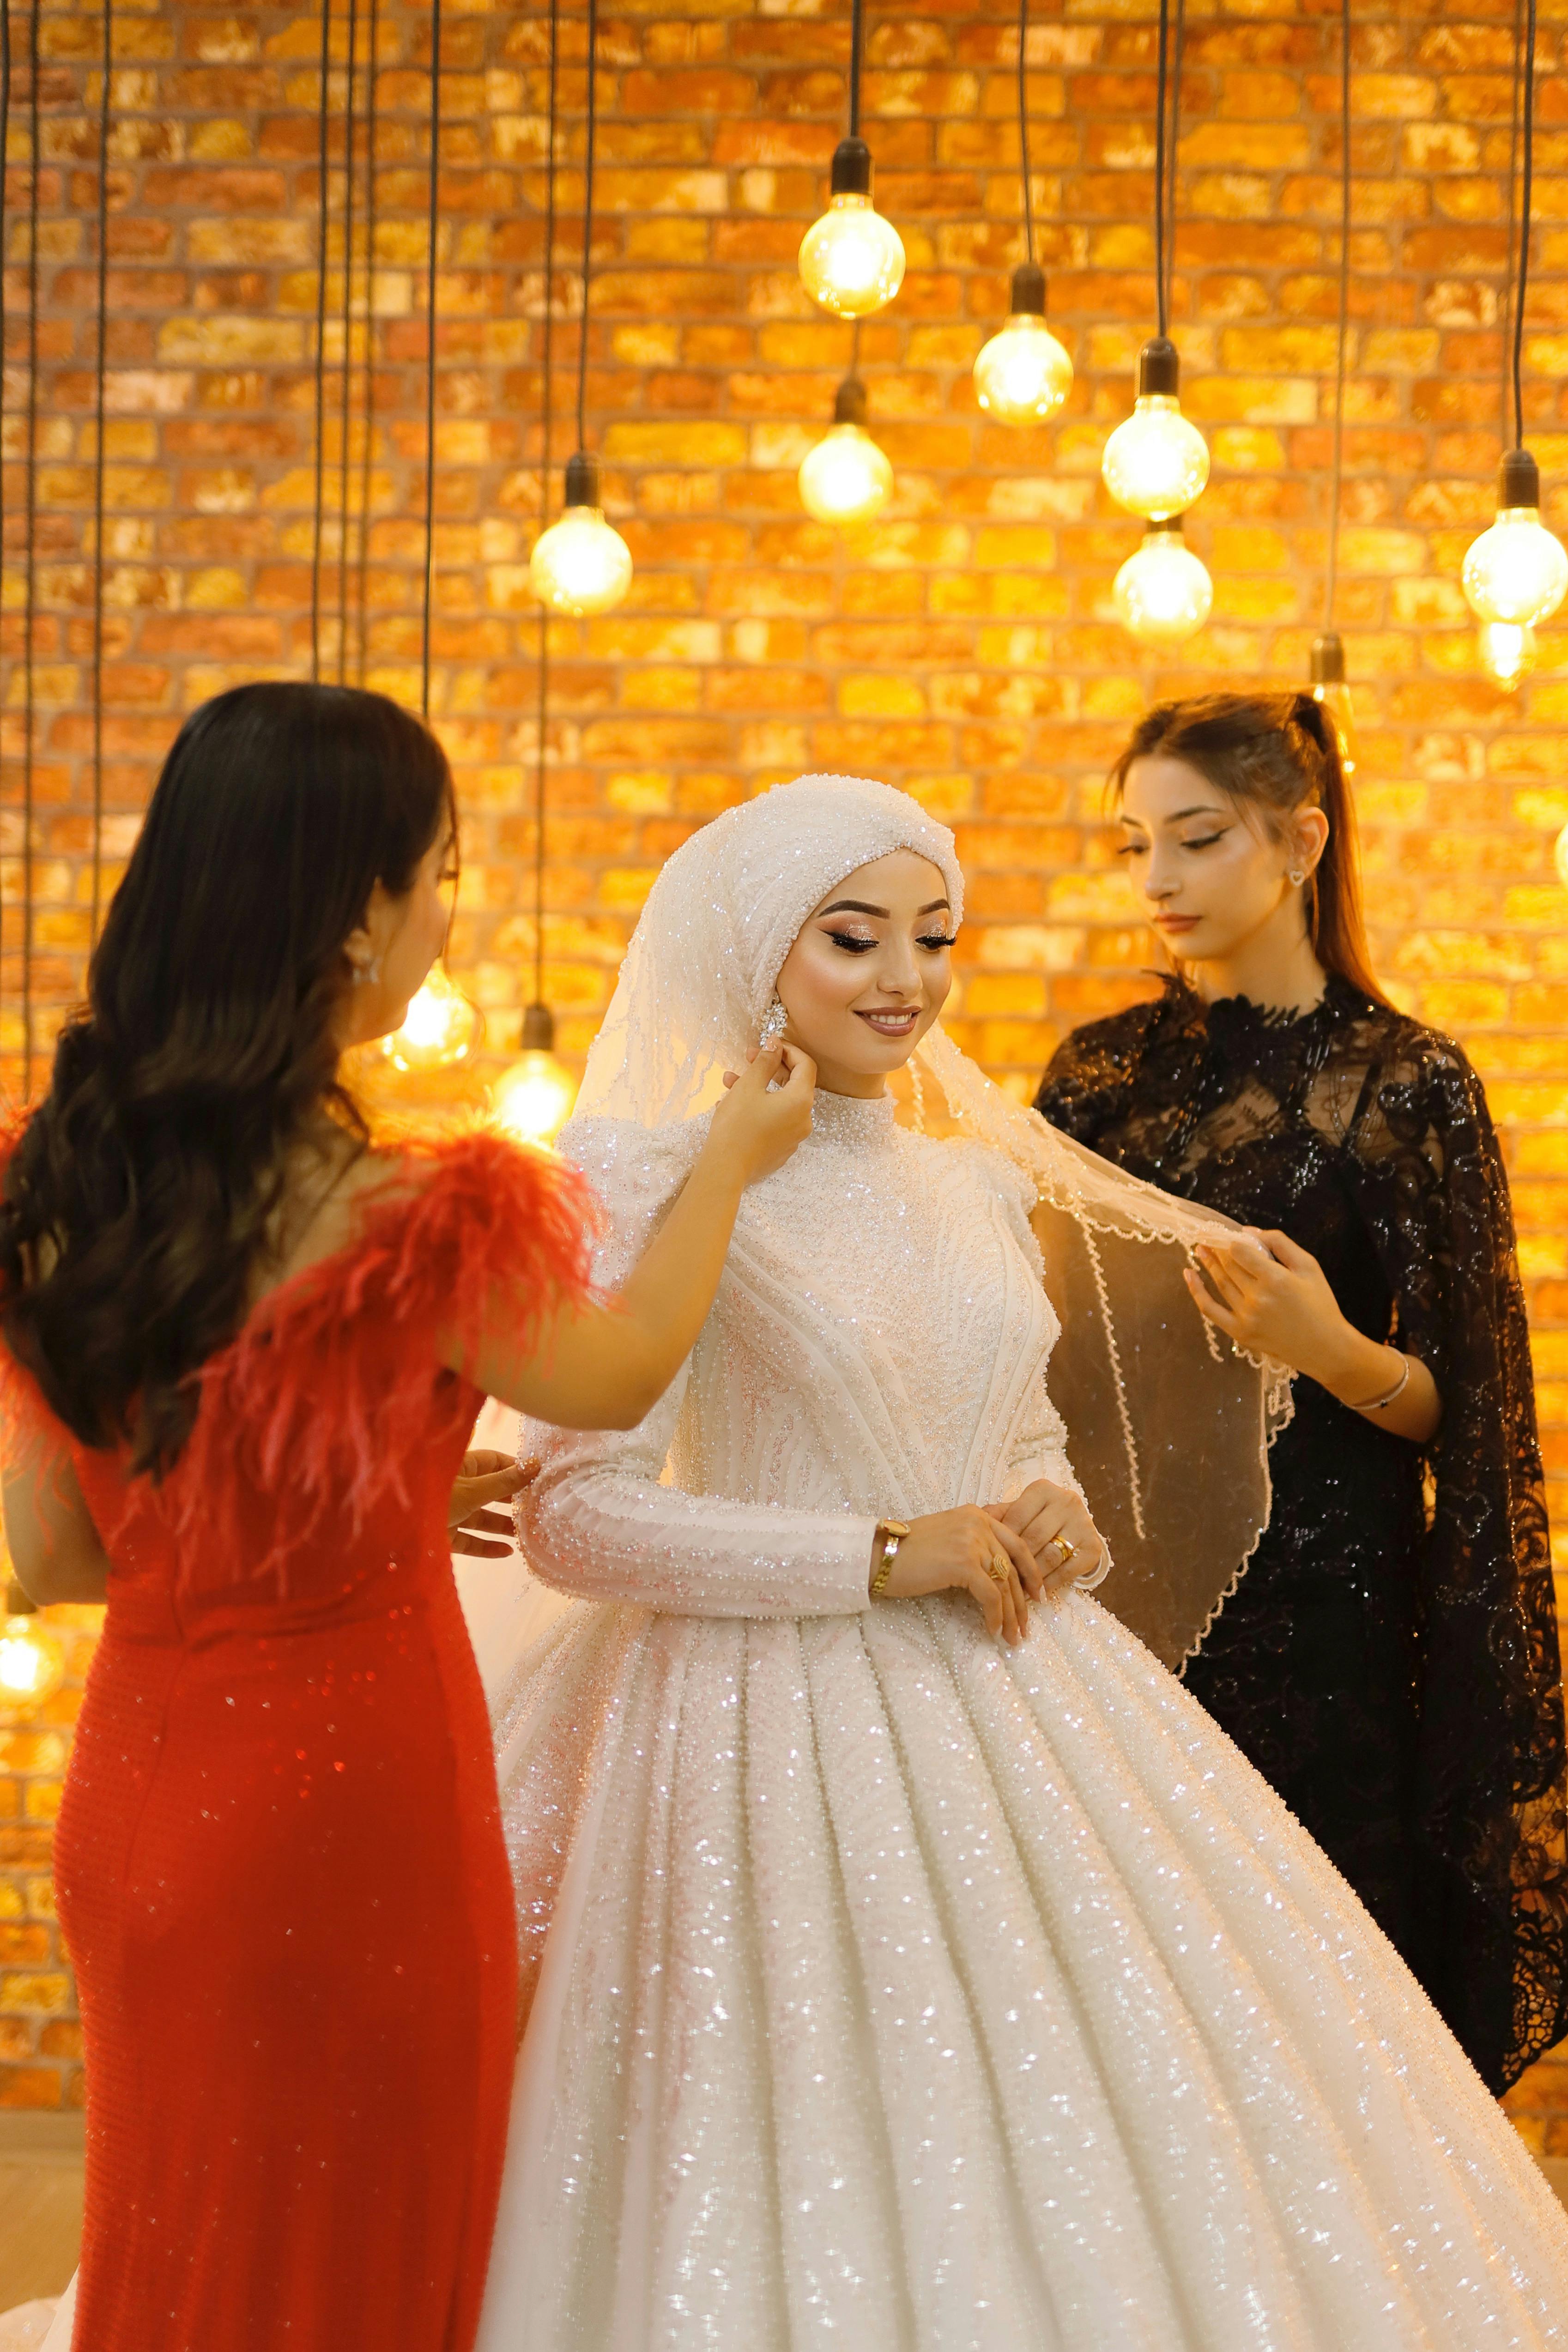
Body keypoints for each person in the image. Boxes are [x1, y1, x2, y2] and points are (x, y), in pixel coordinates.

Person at [471, 773, 1568, 2352]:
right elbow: (570, 1517)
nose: (905, 976)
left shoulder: (973, 1180)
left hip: (1019, 1689)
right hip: (748, 1736)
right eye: (853, 938)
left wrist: (1058, 1511)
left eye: (933, 936)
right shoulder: (639, 1177)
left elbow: (1018, 1439)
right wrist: (884, 1552)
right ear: (751, 950)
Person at [0, 683, 814, 2352]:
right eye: (442, 872)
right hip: (352, 1815)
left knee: (179, 2253)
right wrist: (735, 1152)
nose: (451, 913)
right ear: (360, 906)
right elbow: (616, 1373)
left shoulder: (50, 1183)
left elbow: (68, 1556)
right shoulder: (414, 1209)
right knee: (365, 2262)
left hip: (141, 1811)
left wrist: (361, 1486)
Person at [1035, 689, 1568, 2098]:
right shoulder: (1096, 1075)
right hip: (1126, 1599)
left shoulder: (1409, 1084)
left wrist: (1323, 1346)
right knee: (1134, 2014)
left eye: (1193, 839)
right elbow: (1029, 1346)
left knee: (1324, 2028)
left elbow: (1475, 1417)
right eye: (1132, 843)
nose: (1154, 880)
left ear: (1299, 840)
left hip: (1332, 1616)